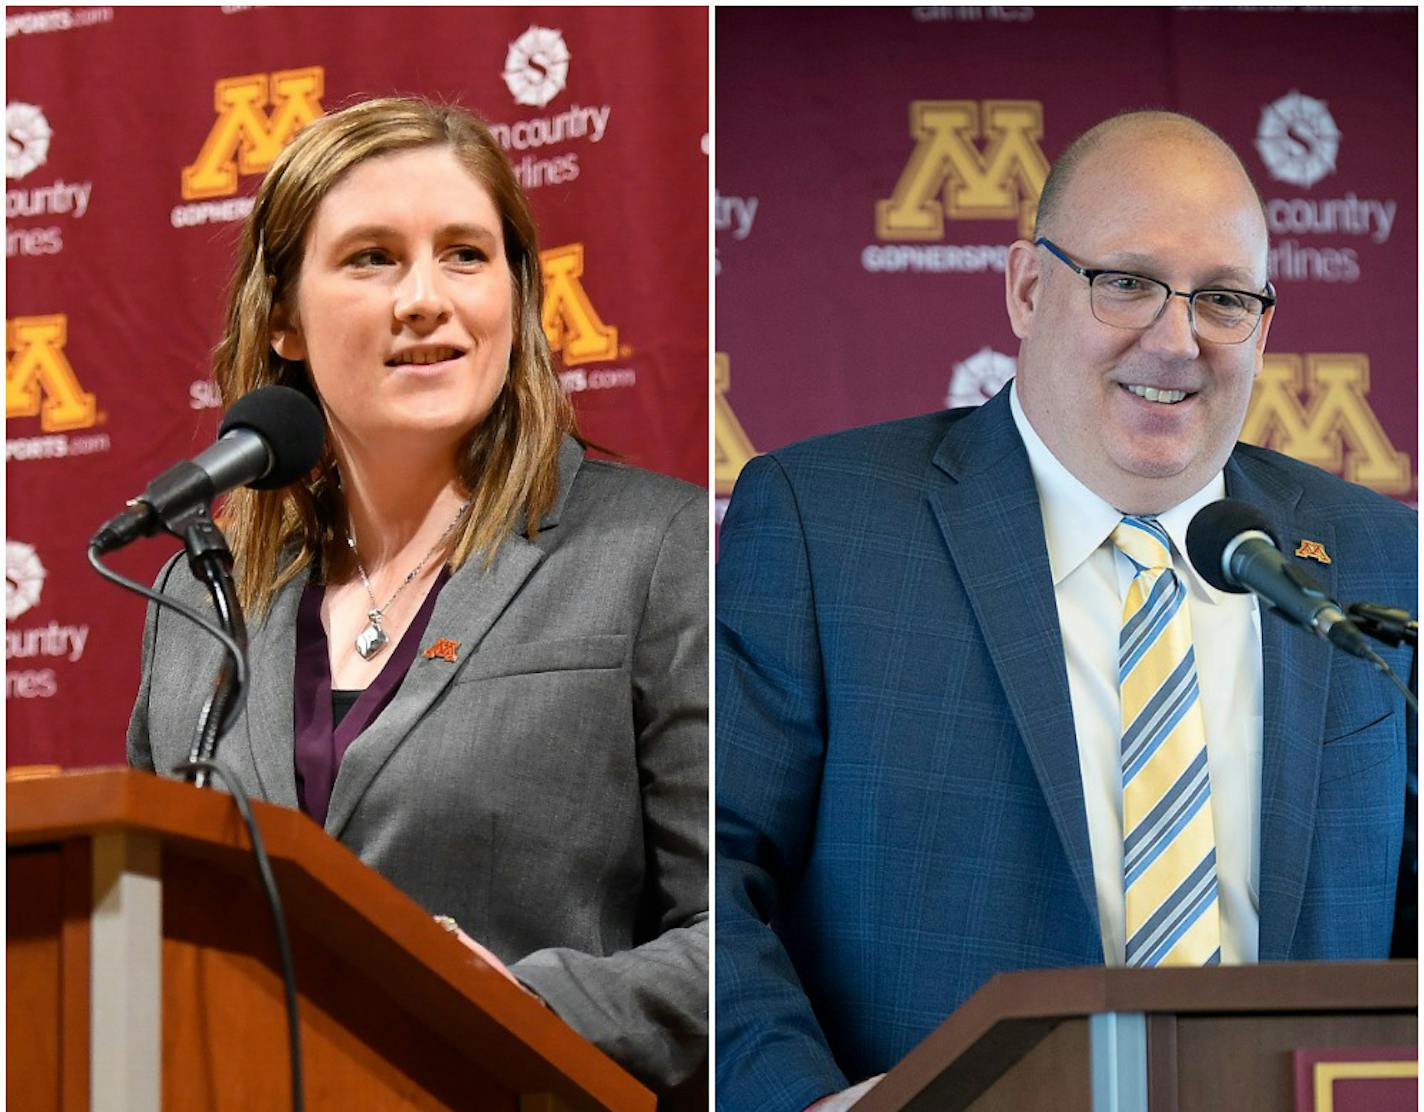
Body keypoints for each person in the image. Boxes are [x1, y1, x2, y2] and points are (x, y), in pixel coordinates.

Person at [715, 111, 1416, 1111]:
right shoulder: (827, 524)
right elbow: (705, 874)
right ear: (1027, 287)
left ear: (1262, 327)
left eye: (1220, 299)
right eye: (1125, 281)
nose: (1173, 341)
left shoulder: (1373, 552)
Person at [127, 97, 707, 1101]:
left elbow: (749, 935)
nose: (425, 298)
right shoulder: (199, 591)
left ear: (517, 296)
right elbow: (140, 932)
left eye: (465, 255)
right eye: (371, 258)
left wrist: (519, 1005)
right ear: (282, 318)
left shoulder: (652, 551)